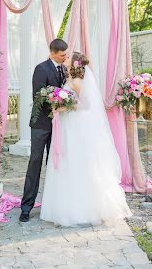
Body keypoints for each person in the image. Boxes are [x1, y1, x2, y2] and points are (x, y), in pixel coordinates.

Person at [40, 52, 131, 226]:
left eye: (68, 58)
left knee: (76, 161)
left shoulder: (77, 81)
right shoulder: (70, 78)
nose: (65, 59)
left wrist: (64, 107)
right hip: (68, 126)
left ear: (74, 63)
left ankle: (82, 209)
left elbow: (87, 104)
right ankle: (64, 205)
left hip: (74, 126)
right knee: (68, 162)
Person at [19, 38, 68, 222]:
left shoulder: (64, 69)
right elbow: (38, 95)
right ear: (53, 53)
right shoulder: (41, 68)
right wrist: (57, 100)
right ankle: (26, 207)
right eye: (62, 55)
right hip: (40, 125)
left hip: (57, 124)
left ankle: (51, 204)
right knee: (35, 162)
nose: (65, 57)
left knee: (55, 164)